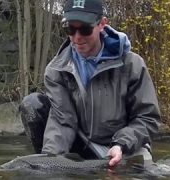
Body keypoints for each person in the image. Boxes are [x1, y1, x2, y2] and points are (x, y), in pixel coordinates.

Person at [19, 0, 160, 167]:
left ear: (102, 24)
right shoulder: (56, 70)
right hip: (85, 143)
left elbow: (148, 118)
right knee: (32, 104)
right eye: (70, 29)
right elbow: (62, 120)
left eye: (85, 29)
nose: (77, 37)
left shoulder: (132, 64)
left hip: (125, 147)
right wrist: (50, 161)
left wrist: (121, 144)